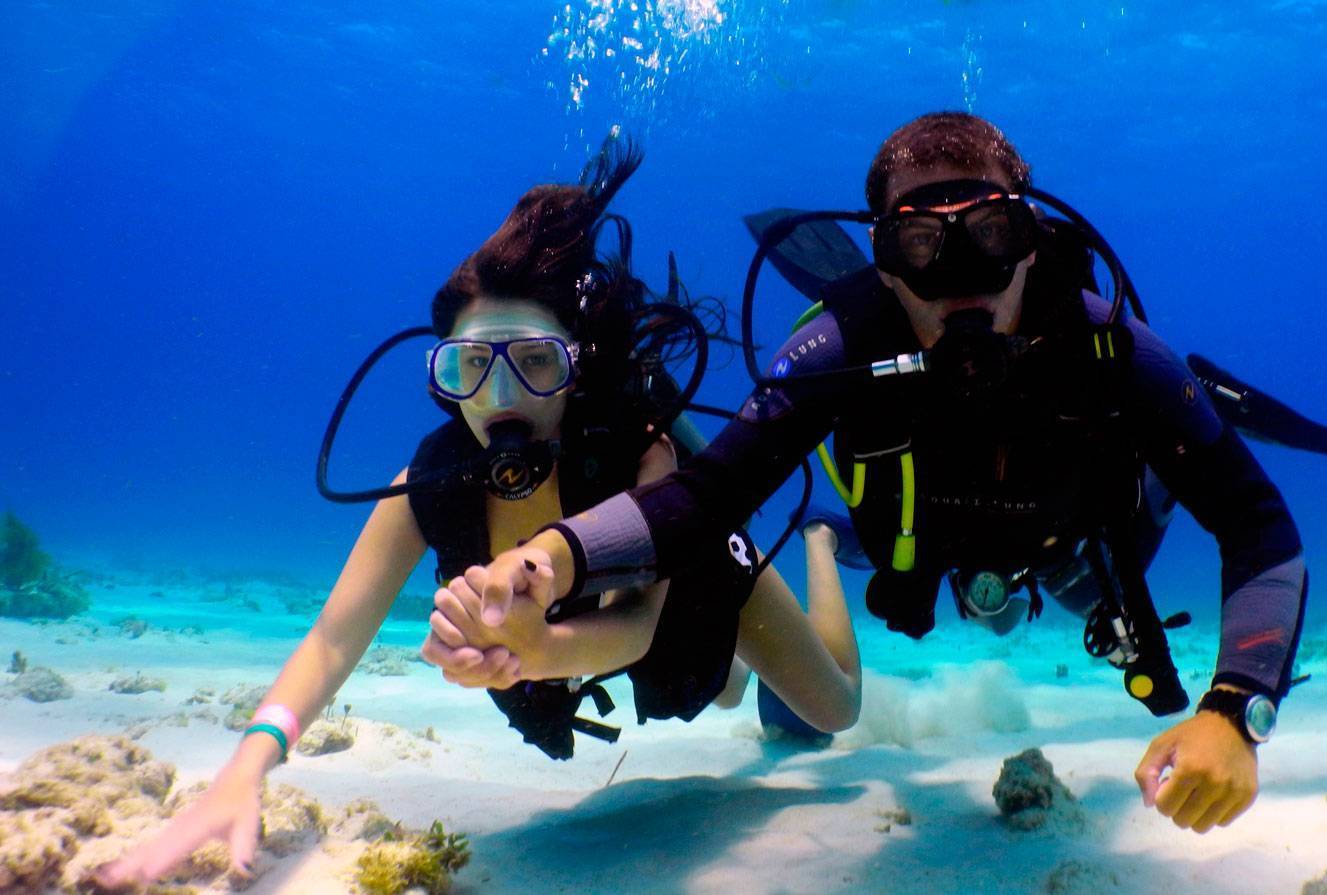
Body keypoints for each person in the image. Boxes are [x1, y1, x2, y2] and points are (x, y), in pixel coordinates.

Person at [436, 112, 1311, 835]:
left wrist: (1236, 710)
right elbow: (705, 499)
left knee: (1105, 582)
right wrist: (551, 558)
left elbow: (1259, 527)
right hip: (917, 543)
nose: (962, 277)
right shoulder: (839, 346)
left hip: (1071, 541)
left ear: (1034, 242)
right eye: (924, 243)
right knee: (868, 587)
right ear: (883, 260)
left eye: (992, 234)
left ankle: (1203, 416)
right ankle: (833, 549)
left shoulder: (1108, 345)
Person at [95, 144, 860, 888]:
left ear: (576, 364)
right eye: (469, 367)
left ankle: (820, 547)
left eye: (535, 362)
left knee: (832, 708)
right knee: (708, 682)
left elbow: (633, 629)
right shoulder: (430, 484)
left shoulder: (641, 450)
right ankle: (728, 666)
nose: (500, 398)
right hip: (598, 628)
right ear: (444, 376)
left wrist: (532, 648)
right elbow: (332, 640)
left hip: (682, 584)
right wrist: (249, 761)